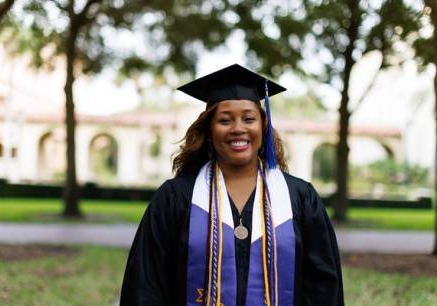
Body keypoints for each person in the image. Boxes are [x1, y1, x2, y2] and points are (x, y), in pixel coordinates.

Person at [120, 64, 344, 306]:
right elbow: (146, 283)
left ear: (263, 126)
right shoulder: (176, 197)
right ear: (209, 129)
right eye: (225, 120)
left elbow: (324, 287)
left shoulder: (299, 198)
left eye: (249, 118)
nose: (238, 128)